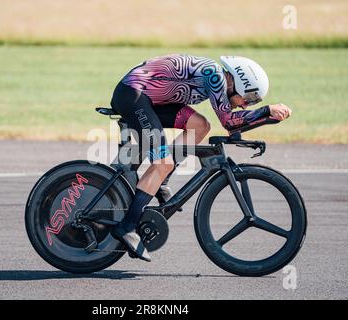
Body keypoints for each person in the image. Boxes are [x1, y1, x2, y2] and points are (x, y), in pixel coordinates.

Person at [110, 54, 292, 261]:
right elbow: (229, 122)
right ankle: (127, 226)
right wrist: (266, 111)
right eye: (249, 99)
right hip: (133, 96)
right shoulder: (214, 76)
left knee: (200, 125)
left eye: (253, 102)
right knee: (163, 163)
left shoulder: (217, 80)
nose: (245, 105)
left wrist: (263, 121)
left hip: (147, 98)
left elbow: (233, 126)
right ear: (237, 82)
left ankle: (162, 180)